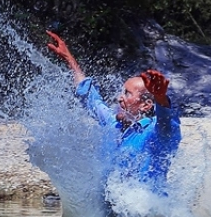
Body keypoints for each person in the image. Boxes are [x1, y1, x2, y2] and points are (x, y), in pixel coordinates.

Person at [45, 30, 181, 195]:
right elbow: (91, 98)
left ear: (146, 105)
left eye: (127, 94)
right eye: (122, 92)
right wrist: (69, 59)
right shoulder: (113, 124)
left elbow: (166, 123)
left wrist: (160, 98)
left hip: (149, 212)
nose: (119, 98)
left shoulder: (154, 134)